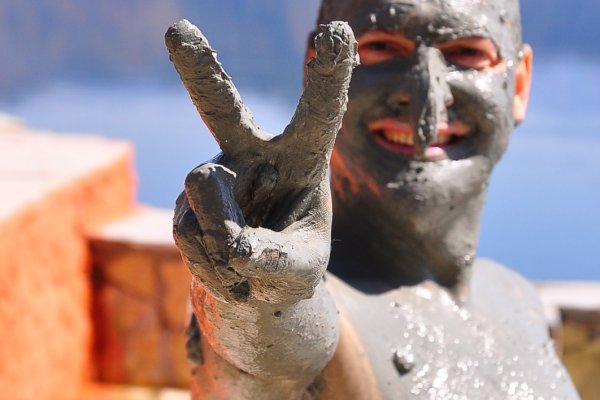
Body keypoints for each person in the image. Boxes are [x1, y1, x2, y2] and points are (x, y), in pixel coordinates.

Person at [166, 0, 579, 398]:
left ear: (520, 84)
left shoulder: (518, 301)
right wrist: (262, 296)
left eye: (467, 53)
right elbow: (267, 358)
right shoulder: (333, 320)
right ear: (318, 72)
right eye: (382, 48)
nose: (425, 97)